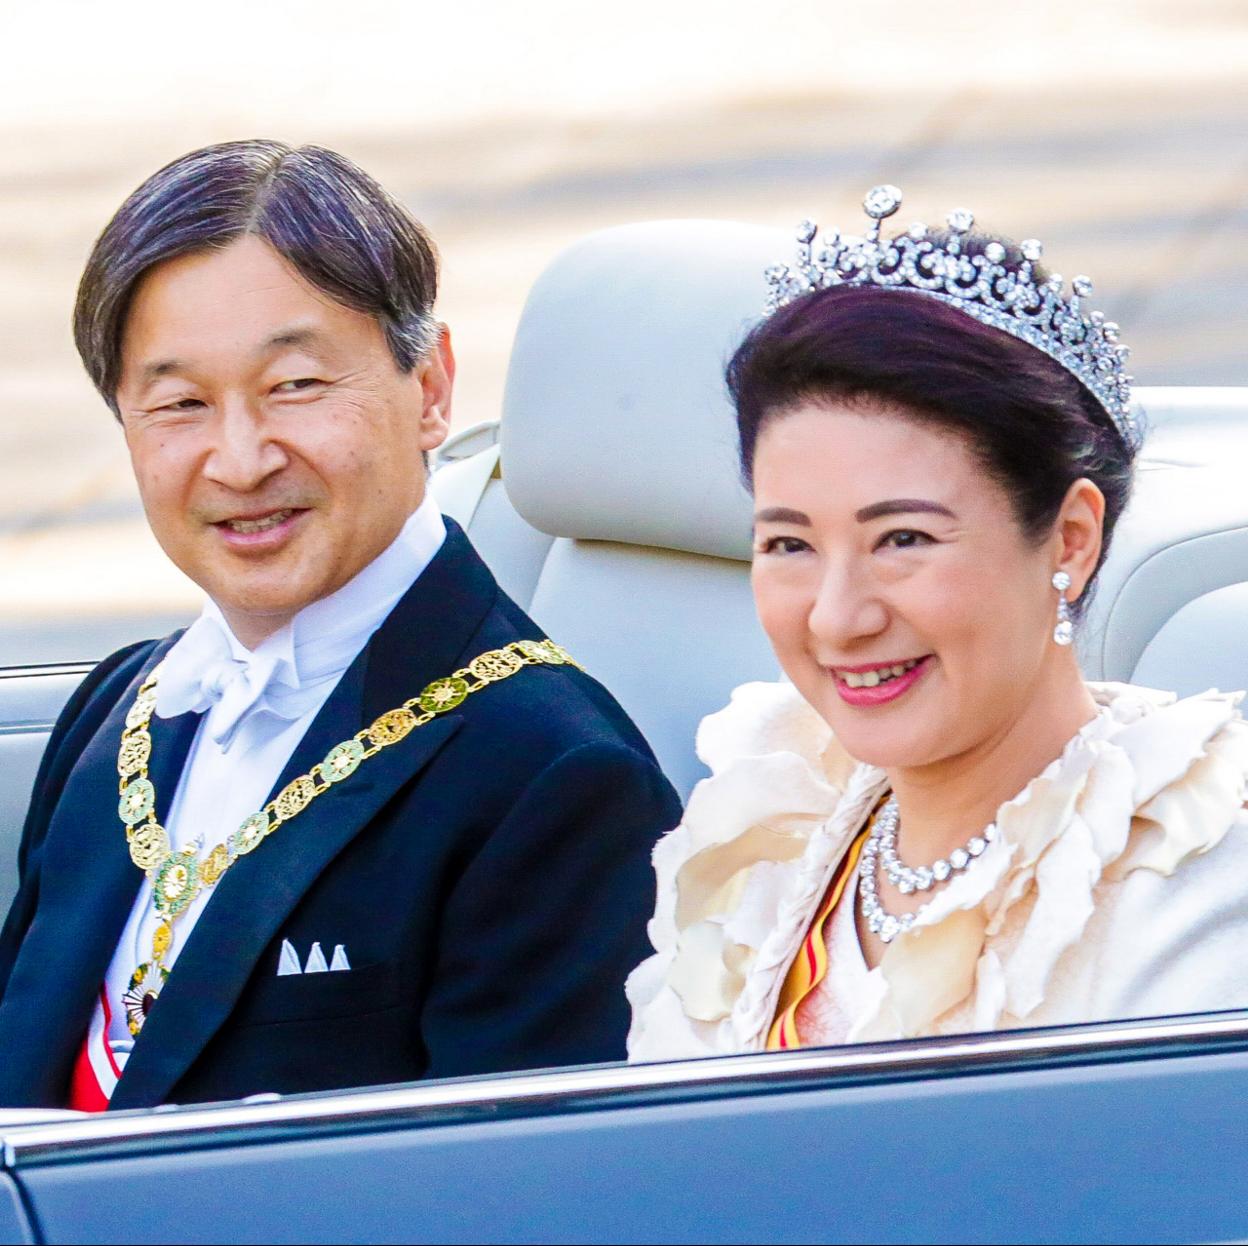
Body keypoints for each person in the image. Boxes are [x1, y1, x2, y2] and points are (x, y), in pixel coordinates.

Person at [0, 140, 681, 1110]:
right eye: (180, 404)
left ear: (431, 389)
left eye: (296, 388)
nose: (238, 460)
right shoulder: (118, 711)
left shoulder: (552, 778)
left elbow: (512, 1192)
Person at [627, 186, 1248, 1058]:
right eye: (790, 545)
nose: (839, 618)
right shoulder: (770, 834)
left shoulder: (1195, 871)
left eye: (904, 539)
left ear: (1069, 539)